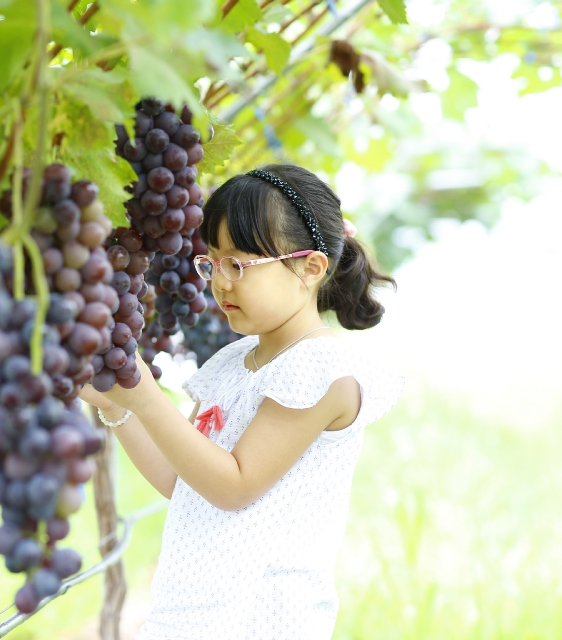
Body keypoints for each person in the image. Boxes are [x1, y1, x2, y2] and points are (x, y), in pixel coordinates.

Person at [80, 164, 405, 640]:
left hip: (258, 619)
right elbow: (183, 480)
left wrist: (147, 398)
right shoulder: (235, 362)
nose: (221, 282)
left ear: (310, 268)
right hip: (190, 615)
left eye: (239, 264)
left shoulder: (320, 370)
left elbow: (234, 486)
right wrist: (115, 404)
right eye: (212, 262)